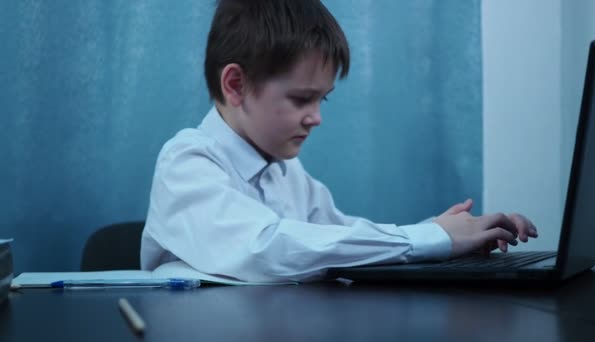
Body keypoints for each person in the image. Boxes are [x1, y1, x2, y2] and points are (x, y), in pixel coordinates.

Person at [140, 0, 538, 282]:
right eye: (301, 99)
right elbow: (266, 248)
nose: (316, 117)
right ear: (236, 84)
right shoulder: (187, 161)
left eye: (321, 98)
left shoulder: (286, 170)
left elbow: (336, 239)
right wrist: (430, 239)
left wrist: (445, 234)